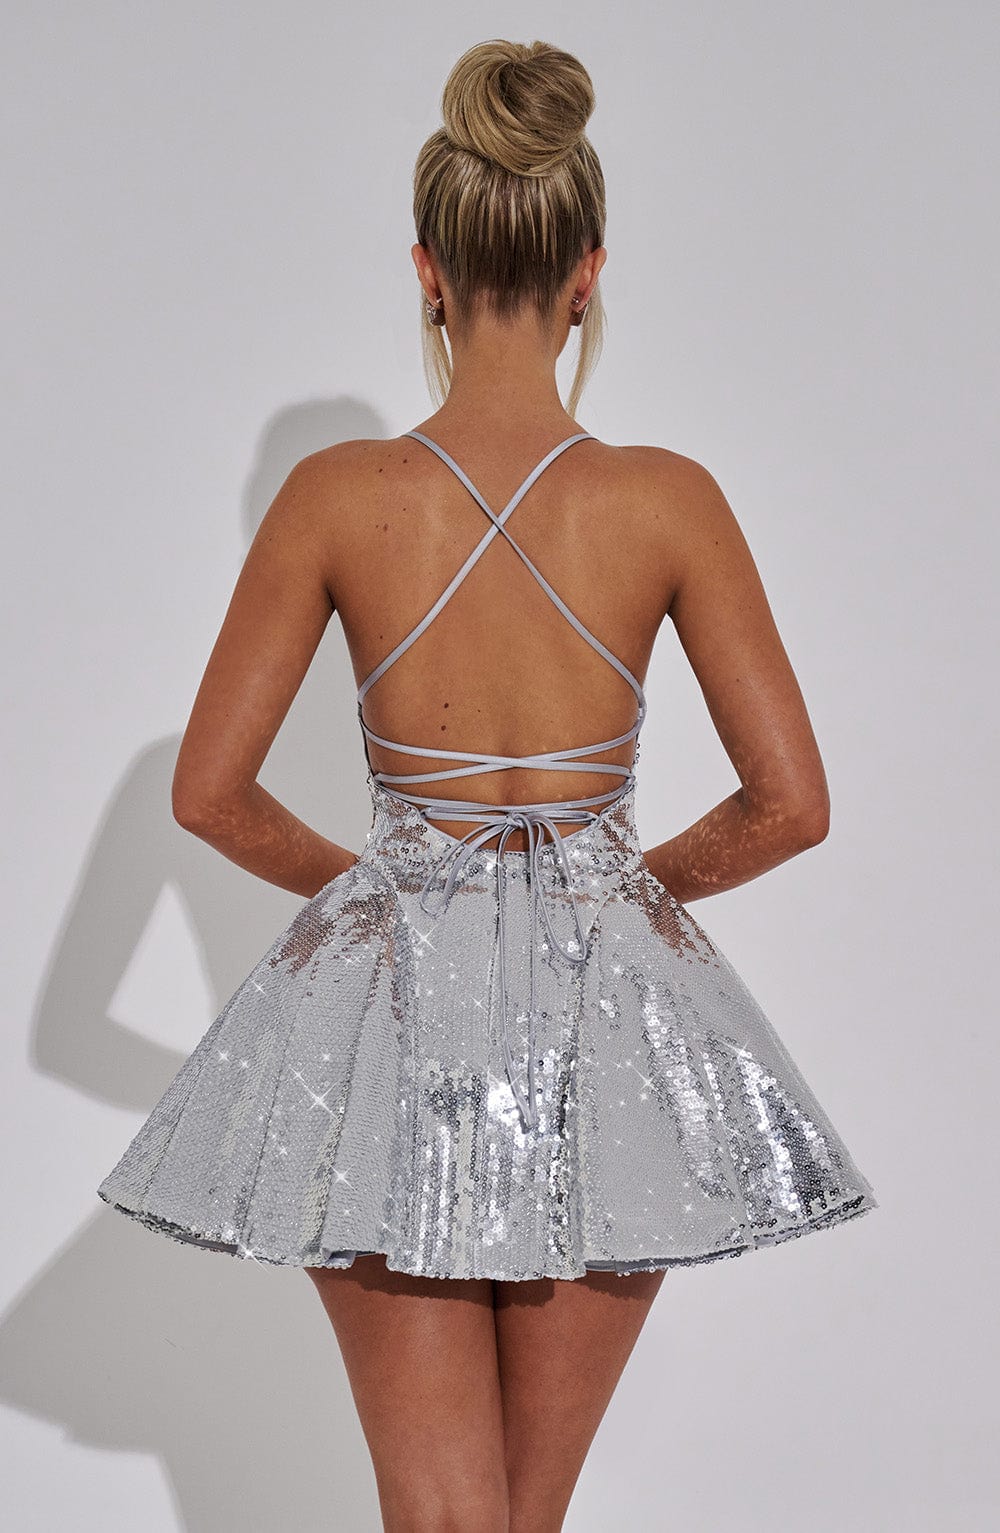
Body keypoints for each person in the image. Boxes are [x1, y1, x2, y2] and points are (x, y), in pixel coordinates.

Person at [97, 37, 877, 1533]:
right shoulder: (669, 501)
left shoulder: (335, 497)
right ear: (588, 274)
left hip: (389, 1031)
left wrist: (387, 889)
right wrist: (620, 894)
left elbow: (207, 793)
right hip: (606, 1030)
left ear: (428, 274)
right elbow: (792, 802)